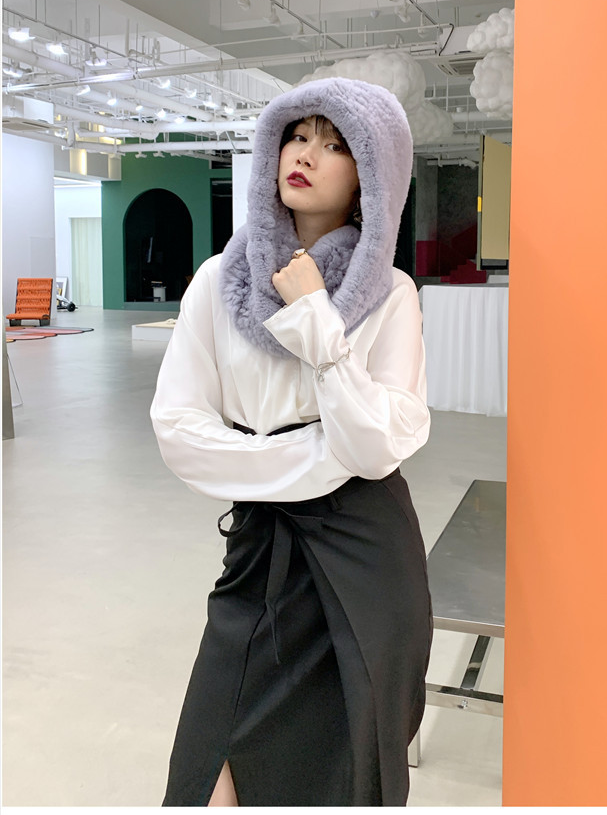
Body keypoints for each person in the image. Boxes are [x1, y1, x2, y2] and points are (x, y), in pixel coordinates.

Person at [150, 77, 433, 807]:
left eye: (335, 145)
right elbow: (179, 431)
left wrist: (315, 317)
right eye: (297, 135)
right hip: (260, 547)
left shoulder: (391, 294)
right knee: (206, 776)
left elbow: (377, 447)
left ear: (371, 178)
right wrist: (313, 458)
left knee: (346, 773)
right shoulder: (218, 282)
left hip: (366, 558)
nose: (305, 154)